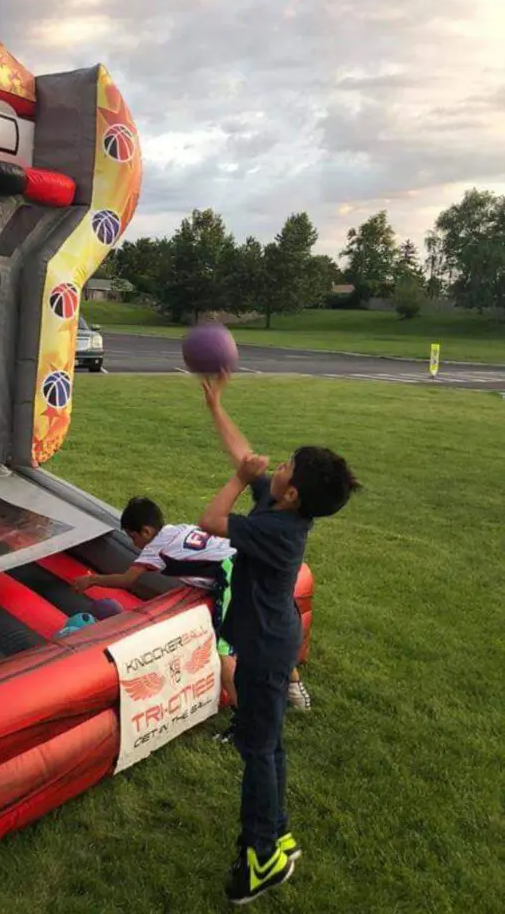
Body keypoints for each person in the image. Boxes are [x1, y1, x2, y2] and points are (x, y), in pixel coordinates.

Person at [199, 373, 360, 905]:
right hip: (270, 642)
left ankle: (264, 853)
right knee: (267, 744)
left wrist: (241, 482)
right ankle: (279, 829)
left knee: (256, 750)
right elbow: (245, 455)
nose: (278, 465)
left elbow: (212, 519)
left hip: (266, 652)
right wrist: (216, 403)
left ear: (289, 494)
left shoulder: (275, 530)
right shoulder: (286, 506)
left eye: (286, 465)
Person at [72, 497, 312, 713]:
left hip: (235, 573)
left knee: (224, 651)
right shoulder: (180, 529)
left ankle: (246, 720)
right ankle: (295, 690)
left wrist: (91, 580)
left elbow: (126, 580)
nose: (134, 545)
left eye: (133, 537)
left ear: (146, 531)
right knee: (266, 631)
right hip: (253, 560)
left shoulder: (155, 549)